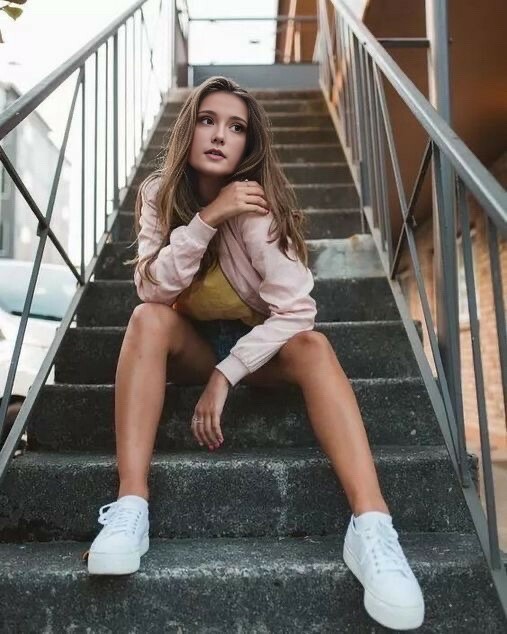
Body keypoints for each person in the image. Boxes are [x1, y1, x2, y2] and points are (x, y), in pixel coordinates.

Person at [85, 76, 424, 630]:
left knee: (315, 346)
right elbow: (152, 289)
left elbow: (297, 311)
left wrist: (226, 373)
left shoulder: (257, 205)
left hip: (259, 352)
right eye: (208, 120)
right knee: (146, 320)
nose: (220, 135)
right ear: (189, 128)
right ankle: (130, 506)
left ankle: (372, 527)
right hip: (190, 346)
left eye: (236, 126)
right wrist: (206, 219)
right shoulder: (157, 194)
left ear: (249, 143)